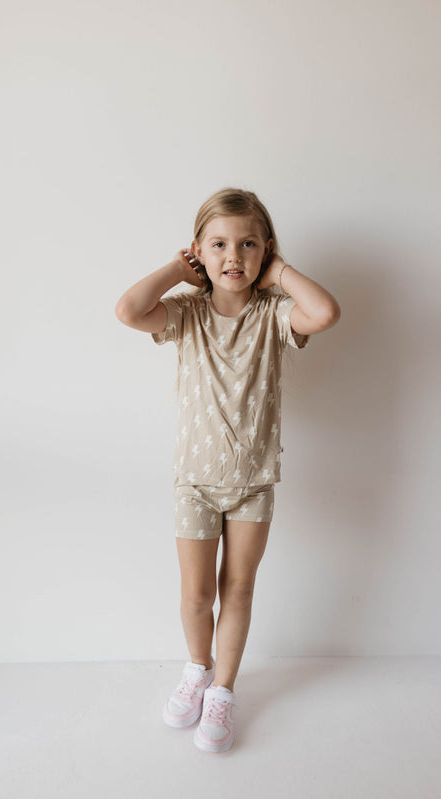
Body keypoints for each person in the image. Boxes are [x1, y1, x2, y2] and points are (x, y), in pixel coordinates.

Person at [114, 187, 341, 753]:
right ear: (201, 251)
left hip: (254, 482)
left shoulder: (274, 314)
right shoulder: (186, 313)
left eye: (247, 244)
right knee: (196, 596)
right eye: (219, 245)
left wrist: (281, 271)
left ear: (264, 252)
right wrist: (178, 267)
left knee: (237, 588)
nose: (233, 255)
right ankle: (197, 668)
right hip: (194, 481)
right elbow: (128, 310)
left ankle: (224, 689)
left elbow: (326, 312)